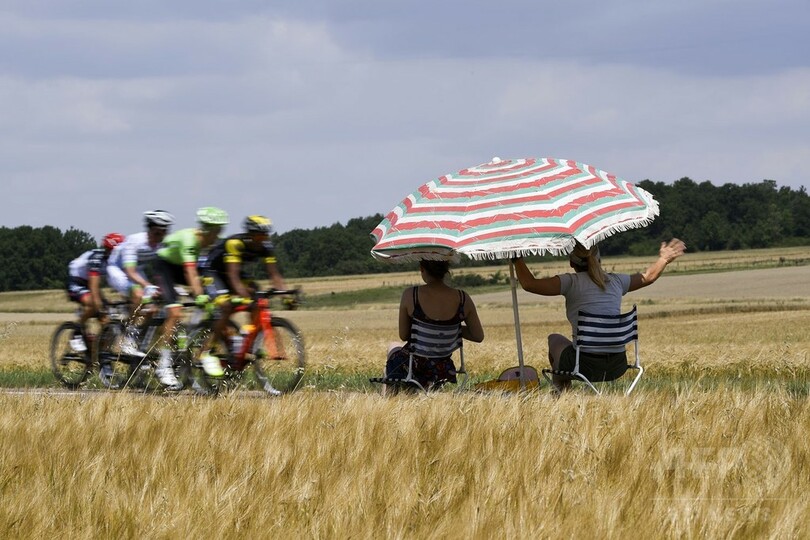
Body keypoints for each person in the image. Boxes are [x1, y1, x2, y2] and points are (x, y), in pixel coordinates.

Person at [513, 238, 687, 392]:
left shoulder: (569, 282)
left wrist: (516, 258)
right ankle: (561, 393)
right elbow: (648, 277)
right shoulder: (617, 281)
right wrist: (664, 258)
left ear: (572, 263)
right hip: (617, 365)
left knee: (554, 339)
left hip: (583, 367)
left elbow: (530, 284)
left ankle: (560, 392)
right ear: (599, 259)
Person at [152, 207, 229, 381]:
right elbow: (190, 273)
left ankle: (191, 331)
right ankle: (163, 365)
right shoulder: (189, 240)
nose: (218, 236)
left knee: (212, 301)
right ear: (208, 230)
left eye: (221, 231)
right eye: (217, 231)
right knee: (175, 311)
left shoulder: (210, 242)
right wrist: (199, 295)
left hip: (181, 266)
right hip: (164, 266)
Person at [384, 259, 484, 391]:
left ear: (422, 269)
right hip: (442, 368)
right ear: (445, 270)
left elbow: (404, 335)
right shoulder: (463, 298)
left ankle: (389, 402)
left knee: (393, 347)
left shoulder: (411, 295)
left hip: (415, 365)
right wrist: (452, 328)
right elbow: (478, 336)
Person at [199, 215, 289, 360]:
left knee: (257, 300)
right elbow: (232, 276)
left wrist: (286, 295)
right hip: (213, 272)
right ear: (250, 235)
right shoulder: (235, 243)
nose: (263, 240)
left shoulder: (266, 247)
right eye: (259, 236)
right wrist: (244, 295)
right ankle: (208, 349)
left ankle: (247, 344)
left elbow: (274, 274)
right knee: (226, 306)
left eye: (265, 236)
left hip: (234, 273)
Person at [106, 210, 174, 366]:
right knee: (138, 293)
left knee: (153, 308)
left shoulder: (162, 245)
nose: (161, 235)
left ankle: (141, 342)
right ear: (150, 228)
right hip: (118, 269)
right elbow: (130, 272)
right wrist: (148, 285)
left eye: (164, 231)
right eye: (158, 231)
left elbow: (161, 271)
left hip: (137, 269)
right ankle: (128, 338)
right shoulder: (135, 241)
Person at [65, 232, 125, 351]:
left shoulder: (116, 262)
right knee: (94, 304)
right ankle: (77, 331)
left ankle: (96, 356)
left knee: (107, 323)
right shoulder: (97, 257)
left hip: (89, 283)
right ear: (109, 250)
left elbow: (121, 282)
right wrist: (99, 303)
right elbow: (93, 284)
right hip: (76, 281)